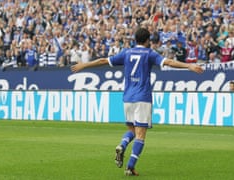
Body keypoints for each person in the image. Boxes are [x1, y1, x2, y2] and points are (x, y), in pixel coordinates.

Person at [71, 28, 204, 176]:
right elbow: (169, 62)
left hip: (127, 97)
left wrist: (84, 65)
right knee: (140, 135)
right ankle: (130, 167)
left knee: (132, 131)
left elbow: (103, 60)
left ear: (135, 39)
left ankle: (122, 145)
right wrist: (188, 66)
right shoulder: (150, 54)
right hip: (142, 97)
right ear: (148, 41)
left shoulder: (126, 52)